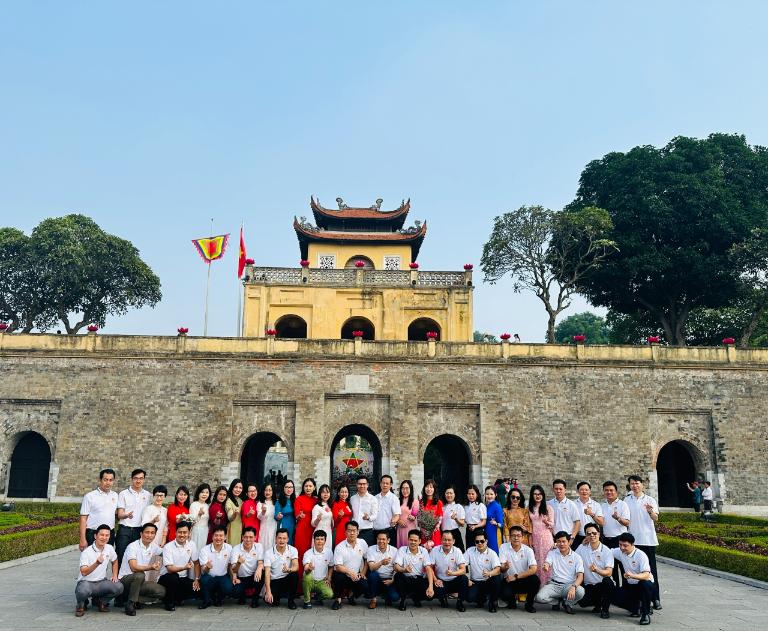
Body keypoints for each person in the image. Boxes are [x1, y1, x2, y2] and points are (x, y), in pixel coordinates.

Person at [626, 475, 661, 610]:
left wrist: (650, 511)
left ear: (642, 484)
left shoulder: (650, 500)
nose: (635, 486)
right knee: (635, 571)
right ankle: (638, 599)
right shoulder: (627, 500)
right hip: (633, 542)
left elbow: (656, 518)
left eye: (637, 483)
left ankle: (655, 598)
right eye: (632, 484)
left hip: (648, 541)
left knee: (651, 571)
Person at [74, 523, 124, 617]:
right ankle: (80, 605)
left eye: (107, 535)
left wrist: (114, 575)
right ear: (95, 536)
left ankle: (101, 602)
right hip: (86, 582)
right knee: (82, 590)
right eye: (101, 535)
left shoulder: (109, 548)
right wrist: (97, 563)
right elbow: (84, 572)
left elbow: (115, 560)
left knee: (119, 587)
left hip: (101, 582)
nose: (104, 538)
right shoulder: (86, 552)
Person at [118, 522, 166, 616]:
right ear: (141, 534)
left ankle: (132, 599)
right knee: (140, 574)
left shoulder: (153, 547)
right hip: (126, 580)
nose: (149, 535)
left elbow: (166, 553)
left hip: (140, 582)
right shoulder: (132, 546)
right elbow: (134, 567)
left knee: (161, 592)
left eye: (152, 533)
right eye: (147, 532)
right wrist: (151, 567)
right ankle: (130, 604)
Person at [535, 531, 585, 614]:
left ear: (569, 542)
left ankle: (568, 603)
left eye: (563, 541)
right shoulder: (552, 553)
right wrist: (546, 566)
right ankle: (556, 601)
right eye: (559, 541)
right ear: (556, 542)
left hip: (568, 586)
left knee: (580, 591)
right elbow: (548, 562)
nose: (561, 544)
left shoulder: (577, 557)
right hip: (554, 585)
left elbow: (580, 576)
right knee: (539, 598)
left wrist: (573, 586)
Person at [611, 532, 654, 625]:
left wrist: (632, 575)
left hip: (644, 585)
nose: (622, 548)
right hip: (631, 586)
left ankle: (645, 614)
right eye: (620, 545)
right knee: (614, 597)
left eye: (625, 545)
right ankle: (637, 607)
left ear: (632, 545)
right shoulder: (619, 551)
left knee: (644, 584)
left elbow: (646, 575)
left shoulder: (641, 555)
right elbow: (606, 551)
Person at [157, 521, 201, 611]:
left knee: (198, 589)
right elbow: (169, 569)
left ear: (189, 533)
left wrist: (196, 579)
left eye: (185, 532)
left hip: (182, 578)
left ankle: (178, 598)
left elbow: (196, 563)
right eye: (180, 532)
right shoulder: (168, 547)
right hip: (166, 578)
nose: (182, 535)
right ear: (175, 532)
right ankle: (169, 602)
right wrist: (184, 567)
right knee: (174, 577)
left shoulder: (191, 545)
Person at [576, 523, 614, 618]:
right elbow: (571, 557)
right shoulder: (582, 547)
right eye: (589, 534)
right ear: (585, 535)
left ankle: (605, 610)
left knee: (607, 582)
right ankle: (597, 604)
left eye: (594, 533)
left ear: (599, 534)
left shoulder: (606, 551)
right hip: (589, 585)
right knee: (583, 603)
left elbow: (609, 572)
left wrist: (597, 570)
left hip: (602, 585)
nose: (592, 535)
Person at [498, 525, 539, 613]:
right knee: (504, 593)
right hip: (509, 580)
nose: (516, 538)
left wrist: (516, 576)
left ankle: (529, 603)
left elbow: (534, 569)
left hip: (522, 579)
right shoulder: (503, 547)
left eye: (518, 536)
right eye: (513, 535)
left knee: (535, 580)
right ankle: (511, 600)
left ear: (523, 537)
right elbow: (501, 568)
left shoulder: (528, 550)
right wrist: (504, 568)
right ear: (509, 537)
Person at [115, 468, 152, 564]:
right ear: (131, 479)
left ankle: (134, 578)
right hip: (124, 530)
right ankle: (120, 578)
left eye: (141, 478)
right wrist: (126, 515)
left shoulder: (148, 495)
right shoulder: (123, 494)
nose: (138, 480)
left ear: (144, 479)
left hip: (139, 530)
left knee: (137, 556)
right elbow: (120, 514)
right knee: (121, 554)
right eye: (136, 478)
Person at [331, 520, 369, 610]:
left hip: (356, 575)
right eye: (349, 530)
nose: (352, 533)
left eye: (354, 530)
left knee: (365, 586)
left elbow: (367, 558)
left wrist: (363, 572)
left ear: (358, 532)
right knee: (338, 576)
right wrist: (350, 572)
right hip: (343, 574)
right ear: (345, 532)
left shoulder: (362, 543)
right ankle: (338, 600)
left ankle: (351, 595)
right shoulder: (340, 547)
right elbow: (338, 566)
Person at [394, 528, 434, 610]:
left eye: (415, 540)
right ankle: (403, 600)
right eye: (411, 540)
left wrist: (430, 587)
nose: (413, 542)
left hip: (418, 579)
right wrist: (404, 570)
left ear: (419, 541)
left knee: (429, 596)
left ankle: (416, 598)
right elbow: (396, 566)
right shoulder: (402, 549)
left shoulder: (424, 551)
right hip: (406, 579)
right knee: (398, 576)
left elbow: (428, 569)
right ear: (408, 540)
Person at [79, 468, 118, 551]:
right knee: (91, 560)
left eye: (111, 480)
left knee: (106, 559)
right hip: (93, 533)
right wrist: (82, 539)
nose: (108, 482)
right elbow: (83, 518)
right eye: (105, 480)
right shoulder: (90, 496)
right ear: (100, 480)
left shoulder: (115, 496)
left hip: (109, 534)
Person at [429, 529, 468, 612]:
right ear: (441, 540)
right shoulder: (435, 550)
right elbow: (429, 568)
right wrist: (436, 580)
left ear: (453, 541)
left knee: (464, 578)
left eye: (449, 540)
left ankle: (460, 602)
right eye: (444, 540)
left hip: (454, 580)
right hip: (441, 581)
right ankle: (442, 599)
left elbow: (463, 569)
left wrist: (453, 573)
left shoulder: (457, 551)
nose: (447, 542)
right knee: (437, 589)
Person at [601, 480, 631, 585]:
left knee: (624, 568)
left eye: (611, 490)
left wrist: (618, 518)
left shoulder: (623, 505)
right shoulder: (602, 505)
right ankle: (614, 594)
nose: (609, 492)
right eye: (606, 490)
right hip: (606, 541)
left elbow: (627, 523)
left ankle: (626, 594)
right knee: (611, 569)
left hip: (620, 541)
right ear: (603, 492)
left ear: (616, 492)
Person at [465, 530, 501, 612]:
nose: (480, 543)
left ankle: (492, 602)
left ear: (486, 541)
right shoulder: (470, 551)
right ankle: (481, 599)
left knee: (497, 578)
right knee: (469, 598)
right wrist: (467, 578)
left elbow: (498, 569)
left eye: (482, 541)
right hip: (475, 582)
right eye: (477, 542)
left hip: (487, 581)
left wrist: (489, 573)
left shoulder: (492, 553)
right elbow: (462, 565)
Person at [198, 525, 234, 608]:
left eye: (221, 536)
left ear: (225, 537)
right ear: (212, 536)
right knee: (204, 580)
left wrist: (233, 576)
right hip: (210, 576)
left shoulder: (229, 548)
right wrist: (207, 567)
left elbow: (230, 565)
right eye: (216, 535)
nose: (218, 538)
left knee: (228, 588)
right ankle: (207, 600)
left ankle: (219, 598)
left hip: (223, 576)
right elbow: (204, 571)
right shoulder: (205, 550)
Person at [263, 527, 299, 608]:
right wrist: (268, 591)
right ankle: (276, 597)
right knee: (270, 602)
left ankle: (291, 601)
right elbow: (267, 573)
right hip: (275, 581)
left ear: (288, 539)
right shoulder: (268, 553)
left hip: (287, 579)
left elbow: (296, 566)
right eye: (279, 538)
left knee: (294, 574)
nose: (281, 540)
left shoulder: (293, 550)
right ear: (275, 539)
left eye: (284, 538)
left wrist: (289, 569)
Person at [230, 526, 264, 608]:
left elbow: (260, 562)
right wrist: (238, 563)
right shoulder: (236, 549)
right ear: (242, 537)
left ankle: (255, 599)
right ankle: (241, 596)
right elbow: (234, 570)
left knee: (263, 572)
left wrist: (259, 569)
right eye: (245, 537)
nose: (248, 540)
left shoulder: (259, 546)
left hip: (254, 576)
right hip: (241, 578)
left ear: (255, 538)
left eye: (251, 537)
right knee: (235, 592)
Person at [140, 485, 168, 581]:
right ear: (153, 496)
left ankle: (154, 583)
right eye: (157, 495)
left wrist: (164, 539)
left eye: (161, 495)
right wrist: (153, 520)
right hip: (149, 538)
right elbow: (144, 525)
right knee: (147, 561)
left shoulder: (165, 510)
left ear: (165, 497)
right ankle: (144, 583)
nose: (159, 498)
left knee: (157, 562)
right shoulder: (149, 509)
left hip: (160, 539)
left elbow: (166, 526)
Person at [366, 529, 400, 608]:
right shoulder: (371, 549)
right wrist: (381, 563)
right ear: (376, 539)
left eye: (383, 539)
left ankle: (387, 596)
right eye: (379, 539)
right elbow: (371, 568)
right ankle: (373, 599)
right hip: (377, 578)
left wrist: (392, 580)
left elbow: (396, 568)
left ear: (388, 540)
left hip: (389, 579)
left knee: (395, 597)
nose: (381, 541)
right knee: (373, 575)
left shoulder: (394, 550)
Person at [528, 484, 554, 585]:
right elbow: (529, 525)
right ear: (532, 495)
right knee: (537, 560)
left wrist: (546, 522)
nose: (537, 496)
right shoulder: (529, 508)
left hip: (546, 537)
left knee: (546, 560)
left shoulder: (548, 508)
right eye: (535, 494)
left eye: (539, 494)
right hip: (535, 537)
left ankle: (548, 584)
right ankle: (538, 585)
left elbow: (552, 524)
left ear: (543, 495)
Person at [301, 530, 334, 609]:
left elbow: (331, 566)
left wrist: (329, 578)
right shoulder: (308, 553)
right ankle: (307, 601)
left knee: (329, 594)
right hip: (311, 580)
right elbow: (305, 568)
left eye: (322, 539)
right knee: (307, 576)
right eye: (317, 539)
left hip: (321, 581)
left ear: (325, 541)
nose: (319, 541)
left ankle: (317, 598)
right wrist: (309, 568)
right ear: (314, 540)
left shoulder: (329, 552)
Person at [547, 479, 581, 548]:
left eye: (560, 489)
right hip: (554, 537)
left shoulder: (571, 504)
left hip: (568, 537)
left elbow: (577, 522)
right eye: (556, 489)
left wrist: (572, 537)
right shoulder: (548, 504)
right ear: (553, 489)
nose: (558, 491)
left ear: (565, 490)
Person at [573, 481, 604, 548]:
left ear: (590, 491)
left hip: (593, 536)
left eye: (586, 490)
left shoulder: (596, 505)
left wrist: (591, 514)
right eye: (581, 490)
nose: (584, 491)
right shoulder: (573, 504)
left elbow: (601, 523)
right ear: (578, 491)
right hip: (577, 537)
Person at [294, 477, 318, 563]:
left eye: (310, 486)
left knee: (313, 550)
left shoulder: (316, 500)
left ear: (314, 487)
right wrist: (300, 516)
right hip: (302, 529)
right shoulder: (299, 499)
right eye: (306, 486)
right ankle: (300, 575)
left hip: (314, 528)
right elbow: (296, 515)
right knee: (301, 551)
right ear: (303, 487)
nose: (308, 488)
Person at [350, 476, 378, 546]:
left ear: (367, 485)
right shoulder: (352, 499)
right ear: (356, 485)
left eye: (364, 484)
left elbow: (375, 515)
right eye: (360, 484)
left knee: (367, 554)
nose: (362, 486)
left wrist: (368, 517)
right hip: (354, 532)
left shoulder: (373, 499)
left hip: (367, 531)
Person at [374, 474, 400, 544]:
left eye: (387, 483)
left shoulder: (394, 498)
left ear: (391, 485)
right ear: (380, 484)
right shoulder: (375, 498)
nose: (385, 485)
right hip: (375, 531)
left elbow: (397, 514)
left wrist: (394, 520)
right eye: (383, 483)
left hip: (388, 532)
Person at [419, 479, 443, 549]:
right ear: (424, 488)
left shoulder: (438, 502)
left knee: (435, 551)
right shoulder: (421, 502)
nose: (429, 489)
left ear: (434, 489)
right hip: (424, 532)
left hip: (435, 532)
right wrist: (423, 529)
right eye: (427, 486)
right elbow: (419, 517)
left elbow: (440, 516)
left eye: (431, 487)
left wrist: (437, 525)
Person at [441, 486, 466, 551]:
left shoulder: (458, 507)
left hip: (454, 533)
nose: (449, 495)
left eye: (451, 493)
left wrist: (456, 519)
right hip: (443, 533)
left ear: (455, 494)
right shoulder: (442, 506)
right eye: (447, 493)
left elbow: (462, 524)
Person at [397, 479, 419, 548]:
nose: (405, 490)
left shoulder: (415, 501)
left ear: (411, 489)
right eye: (403, 488)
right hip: (400, 529)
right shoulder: (397, 501)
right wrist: (398, 520)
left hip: (410, 529)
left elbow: (414, 514)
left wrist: (413, 517)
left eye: (407, 488)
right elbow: (394, 515)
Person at [189, 483, 211, 552]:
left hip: (205, 531)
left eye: (207, 492)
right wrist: (199, 515)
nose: (204, 494)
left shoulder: (207, 506)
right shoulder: (194, 505)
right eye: (202, 492)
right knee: (194, 551)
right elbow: (191, 521)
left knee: (203, 550)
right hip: (196, 531)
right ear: (198, 493)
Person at [312, 484, 334, 551]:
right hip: (319, 534)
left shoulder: (329, 506)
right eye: (323, 492)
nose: (325, 494)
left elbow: (331, 522)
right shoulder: (317, 507)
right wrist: (318, 519)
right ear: (320, 494)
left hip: (328, 533)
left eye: (327, 492)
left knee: (327, 553)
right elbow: (313, 524)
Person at [274, 479, 296, 544]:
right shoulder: (279, 501)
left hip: (293, 526)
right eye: (286, 487)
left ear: (293, 489)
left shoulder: (295, 500)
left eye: (291, 487)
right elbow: (276, 516)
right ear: (283, 488)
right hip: (283, 526)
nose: (288, 489)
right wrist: (278, 516)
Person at [225, 478, 244, 546]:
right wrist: (234, 514)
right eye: (236, 487)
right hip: (232, 529)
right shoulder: (229, 501)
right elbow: (230, 517)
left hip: (240, 529)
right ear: (232, 487)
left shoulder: (240, 500)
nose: (238, 490)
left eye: (240, 488)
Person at [484, 485, 503, 553]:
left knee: (494, 551)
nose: (489, 496)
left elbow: (501, 524)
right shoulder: (487, 505)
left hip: (494, 532)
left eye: (491, 494)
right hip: (487, 531)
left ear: (495, 495)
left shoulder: (497, 506)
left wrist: (496, 523)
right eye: (487, 494)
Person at [257, 482, 277, 548]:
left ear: (273, 491)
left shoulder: (276, 503)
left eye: (270, 490)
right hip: (264, 528)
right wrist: (263, 512)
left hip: (274, 527)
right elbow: (259, 517)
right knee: (264, 545)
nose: (268, 492)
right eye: (266, 490)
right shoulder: (260, 503)